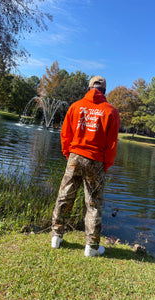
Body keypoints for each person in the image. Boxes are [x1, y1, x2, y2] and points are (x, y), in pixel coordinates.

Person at [51, 76, 120, 257]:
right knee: (93, 203)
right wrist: (106, 165)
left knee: (65, 196)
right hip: (96, 160)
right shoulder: (111, 111)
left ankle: (56, 238)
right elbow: (112, 144)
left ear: (88, 88)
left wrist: (68, 154)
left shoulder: (75, 106)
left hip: (75, 156)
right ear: (104, 90)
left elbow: (65, 133)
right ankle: (91, 247)